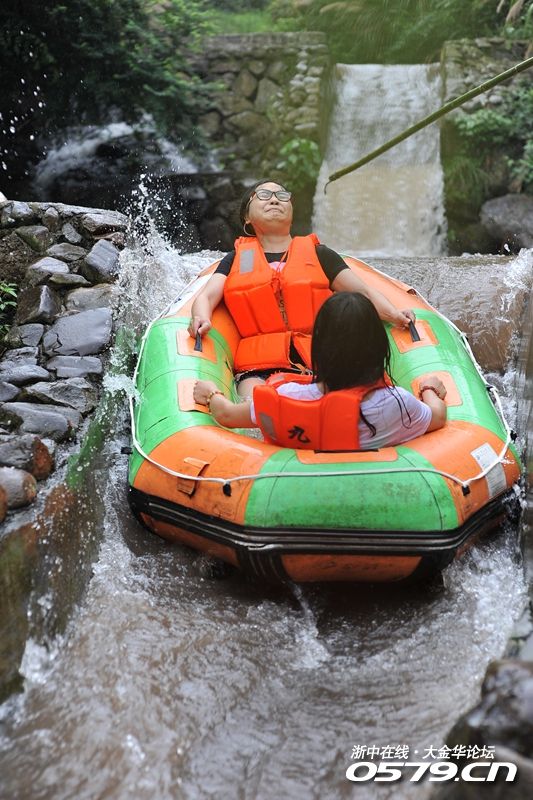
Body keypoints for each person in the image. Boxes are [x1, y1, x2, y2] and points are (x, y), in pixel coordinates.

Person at [188, 179, 416, 398]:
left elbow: (363, 293)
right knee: (254, 401)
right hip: (259, 370)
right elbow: (207, 297)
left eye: (282, 195)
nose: (274, 200)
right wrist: (200, 317)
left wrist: (395, 315)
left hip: (321, 361)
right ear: (247, 217)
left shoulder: (320, 254)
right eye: (264, 196)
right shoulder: (236, 259)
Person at [193, 292, 447, 451]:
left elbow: (225, 415)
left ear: (319, 348)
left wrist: (211, 393)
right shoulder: (397, 403)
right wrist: (429, 388)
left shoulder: (289, 395)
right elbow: (437, 417)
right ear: (379, 348)